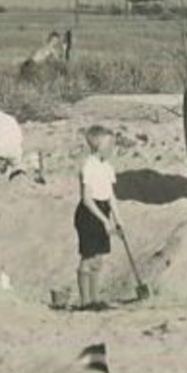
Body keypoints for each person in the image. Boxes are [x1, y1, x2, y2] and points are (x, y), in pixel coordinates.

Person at [73, 125, 119, 310]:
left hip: (103, 210)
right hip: (89, 214)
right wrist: (104, 220)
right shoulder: (88, 166)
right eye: (109, 144)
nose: (112, 148)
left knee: (99, 258)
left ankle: (95, 299)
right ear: (98, 145)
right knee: (88, 257)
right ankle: (85, 302)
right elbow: (87, 199)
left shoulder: (107, 168)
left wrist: (118, 218)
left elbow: (111, 196)